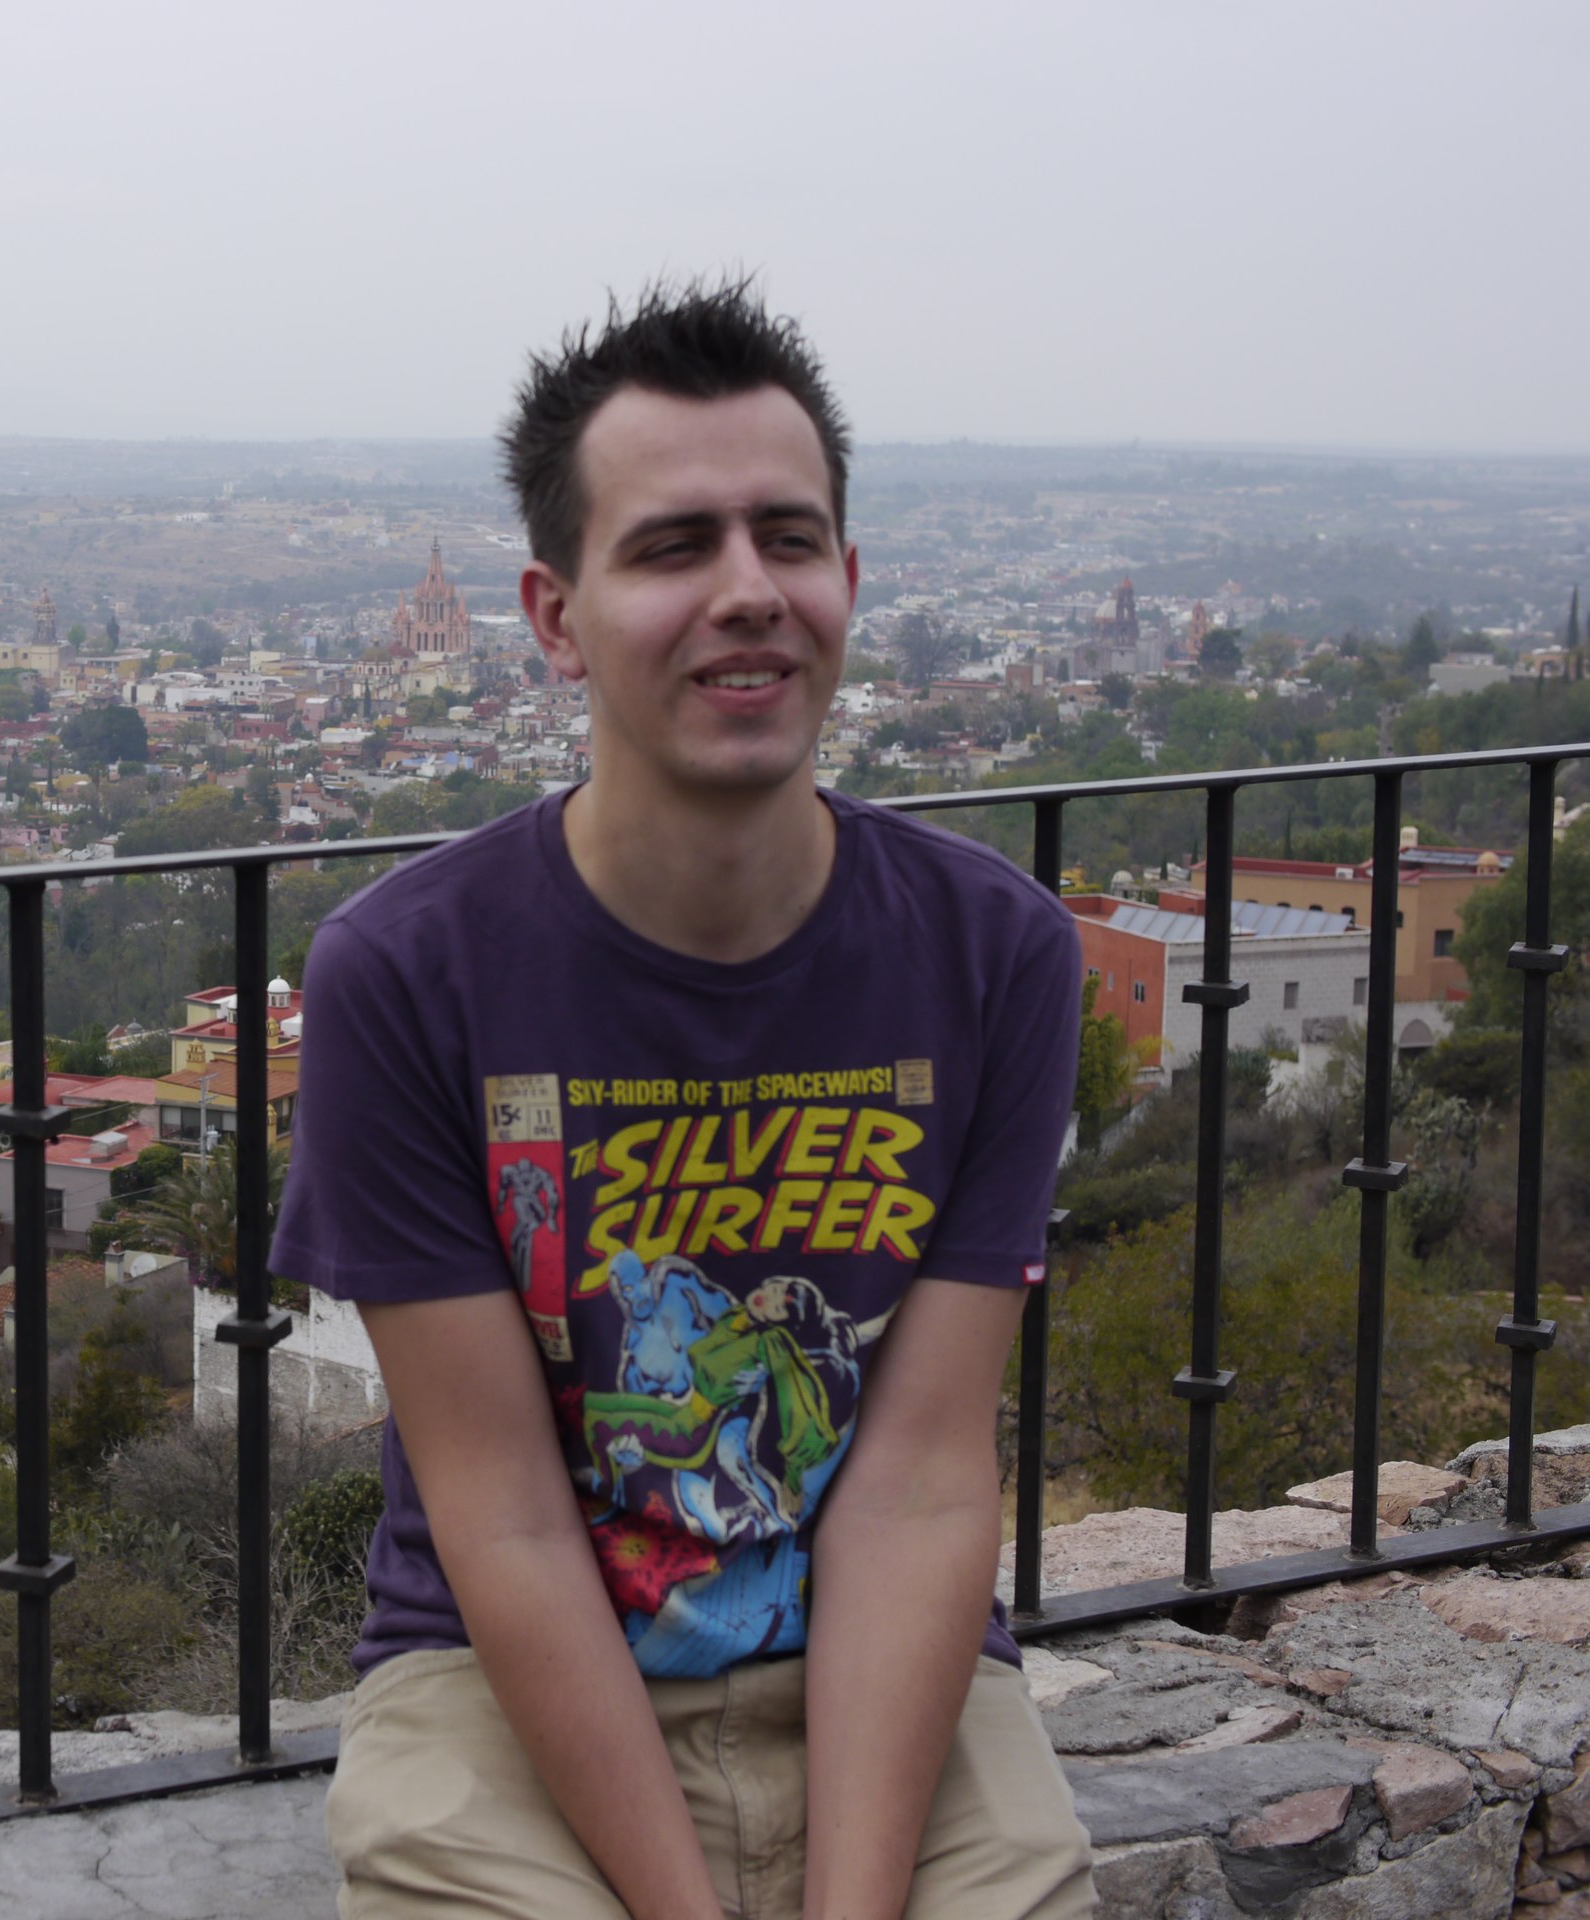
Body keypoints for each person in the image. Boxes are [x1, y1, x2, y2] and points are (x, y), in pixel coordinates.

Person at [267, 275, 1097, 1920]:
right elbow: (506, 1520)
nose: (748, 593)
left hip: (881, 1666)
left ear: (849, 578)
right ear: (555, 614)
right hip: (506, 1679)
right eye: (671, 548)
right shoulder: (411, 976)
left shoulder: (994, 956)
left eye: (789, 539)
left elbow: (922, 1481)